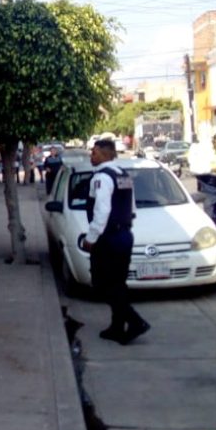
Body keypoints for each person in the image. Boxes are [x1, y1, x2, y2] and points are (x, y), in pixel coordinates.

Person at [80, 139, 151, 345]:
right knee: (118, 283)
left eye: (94, 153)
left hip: (107, 237)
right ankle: (117, 327)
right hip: (124, 236)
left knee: (102, 284)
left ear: (104, 154)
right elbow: (132, 207)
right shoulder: (123, 175)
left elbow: (102, 211)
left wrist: (91, 238)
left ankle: (135, 321)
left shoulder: (101, 177)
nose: (91, 156)